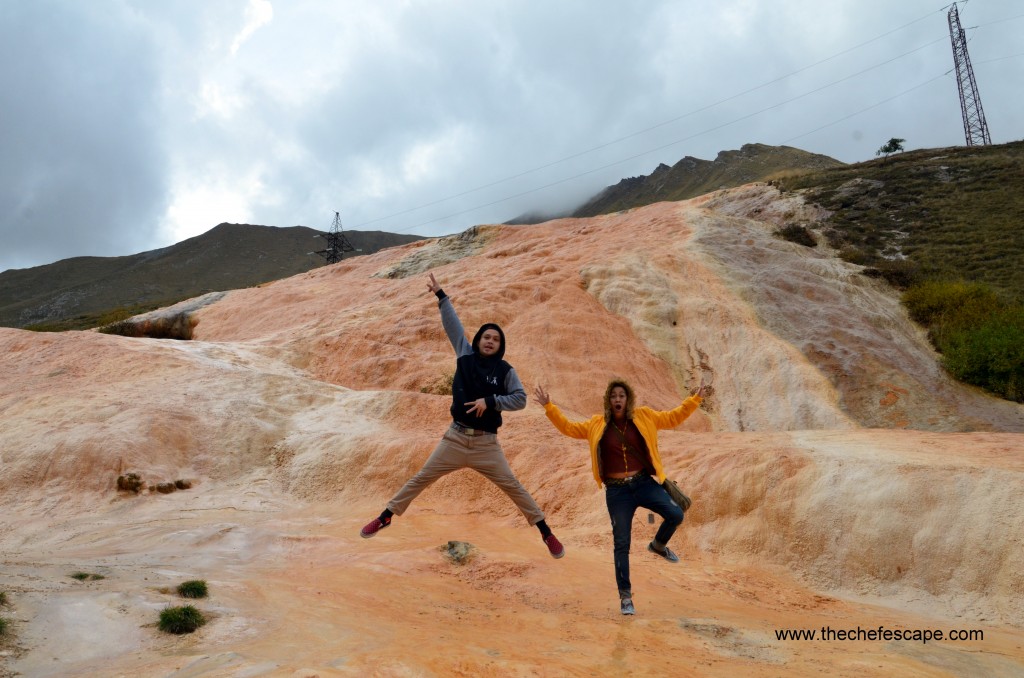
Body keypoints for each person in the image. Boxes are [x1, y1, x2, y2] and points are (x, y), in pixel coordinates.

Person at [360, 272, 565, 559]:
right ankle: (386, 516)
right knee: (421, 478)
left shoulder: (506, 371)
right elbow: (453, 327)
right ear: (478, 339)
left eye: (495, 338)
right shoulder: (465, 356)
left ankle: (545, 532)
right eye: (486, 336)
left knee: (513, 487)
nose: (490, 341)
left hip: (486, 445)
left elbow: (520, 400)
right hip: (455, 439)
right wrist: (441, 296)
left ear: (500, 344)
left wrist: (490, 401)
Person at [534, 378, 707, 614]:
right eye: (613, 396)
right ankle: (626, 597)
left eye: (621, 396)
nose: (618, 400)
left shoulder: (644, 416)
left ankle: (658, 545)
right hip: (617, 492)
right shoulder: (596, 424)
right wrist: (549, 407)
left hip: (643, 483)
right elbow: (569, 428)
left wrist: (696, 398)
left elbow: (673, 417)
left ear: (628, 399)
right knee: (621, 543)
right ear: (608, 400)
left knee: (675, 514)